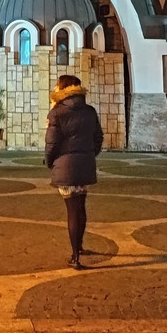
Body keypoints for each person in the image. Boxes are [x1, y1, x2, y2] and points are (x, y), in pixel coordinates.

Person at [44, 74, 103, 270]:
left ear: (63, 88)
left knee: (72, 211)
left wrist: (50, 162)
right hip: (85, 164)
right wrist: (89, 154)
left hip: (65, 166)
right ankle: (79, 246)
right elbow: (98, 138)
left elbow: (51, 143)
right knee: (81, 207)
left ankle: (75, 257)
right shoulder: (90, 111)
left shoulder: (56, 113)